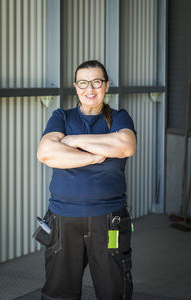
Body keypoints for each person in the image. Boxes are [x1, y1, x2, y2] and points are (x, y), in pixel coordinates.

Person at [37, 60, 137, 300]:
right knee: (59, 293)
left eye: (96, 82)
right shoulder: (61, 116)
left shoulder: (119, 117)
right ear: (75, 86)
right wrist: (95, 157)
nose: (89, 89)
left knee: (114, 292)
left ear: (106, 86)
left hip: (109, 218)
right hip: (63, 217)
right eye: (83, 83)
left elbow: (125, 146)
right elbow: (46, 153)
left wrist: (71, 142)